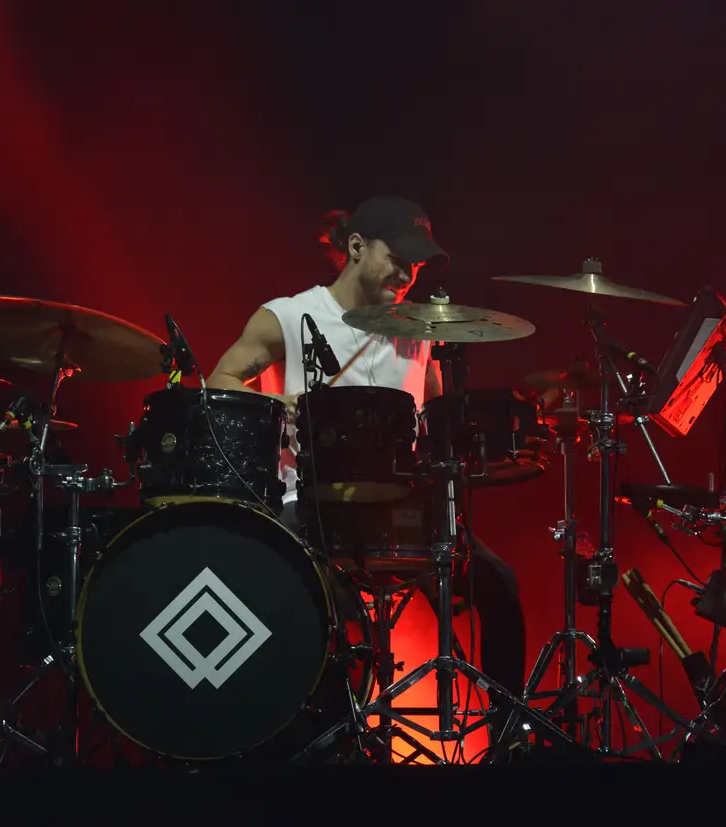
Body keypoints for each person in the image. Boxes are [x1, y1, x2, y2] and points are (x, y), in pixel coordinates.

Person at [207, 194, 526, 741]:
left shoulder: (420, 328)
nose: (407, 274)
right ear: (356, 246)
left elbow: (435, 414)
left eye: (416, 265)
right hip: (312, 505)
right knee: (298, 597)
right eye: (397, 258)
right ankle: (319, 734)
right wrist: (276, 405)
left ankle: (508, 738)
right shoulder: (290, 315)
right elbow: (221, 381)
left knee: (497, 582)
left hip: (400, 509)